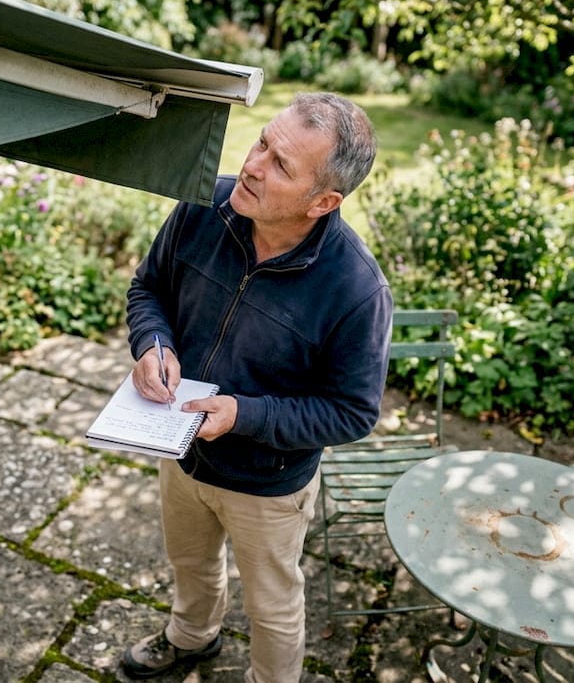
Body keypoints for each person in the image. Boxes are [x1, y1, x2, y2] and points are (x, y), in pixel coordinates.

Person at [120, 92, 393, 682]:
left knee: (272, 610)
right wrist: (154, 345)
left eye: (282, 164)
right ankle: (192, 637)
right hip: (180, 449)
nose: (253, 164)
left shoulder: (356, 290)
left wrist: (244, 415)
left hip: (268, 486)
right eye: (263, 140)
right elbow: (149, 290)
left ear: (324, 202)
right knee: (190, 564)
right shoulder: (205, 206)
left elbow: (351, 412)